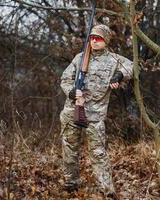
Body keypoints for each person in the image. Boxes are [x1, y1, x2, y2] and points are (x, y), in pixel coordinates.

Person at [60, 24, 133, 198]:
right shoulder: (80, 58)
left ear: (106, 41)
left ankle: (106, 190)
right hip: (72, 110)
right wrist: (71, 92)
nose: (94, 41)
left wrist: (119, 76)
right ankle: (71, 184)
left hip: (95, 115)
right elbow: (65, 79)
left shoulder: (114, 59)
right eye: (92, 37)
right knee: (69, 149)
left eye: (98, 38)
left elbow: (132, 66)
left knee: (98, 153)